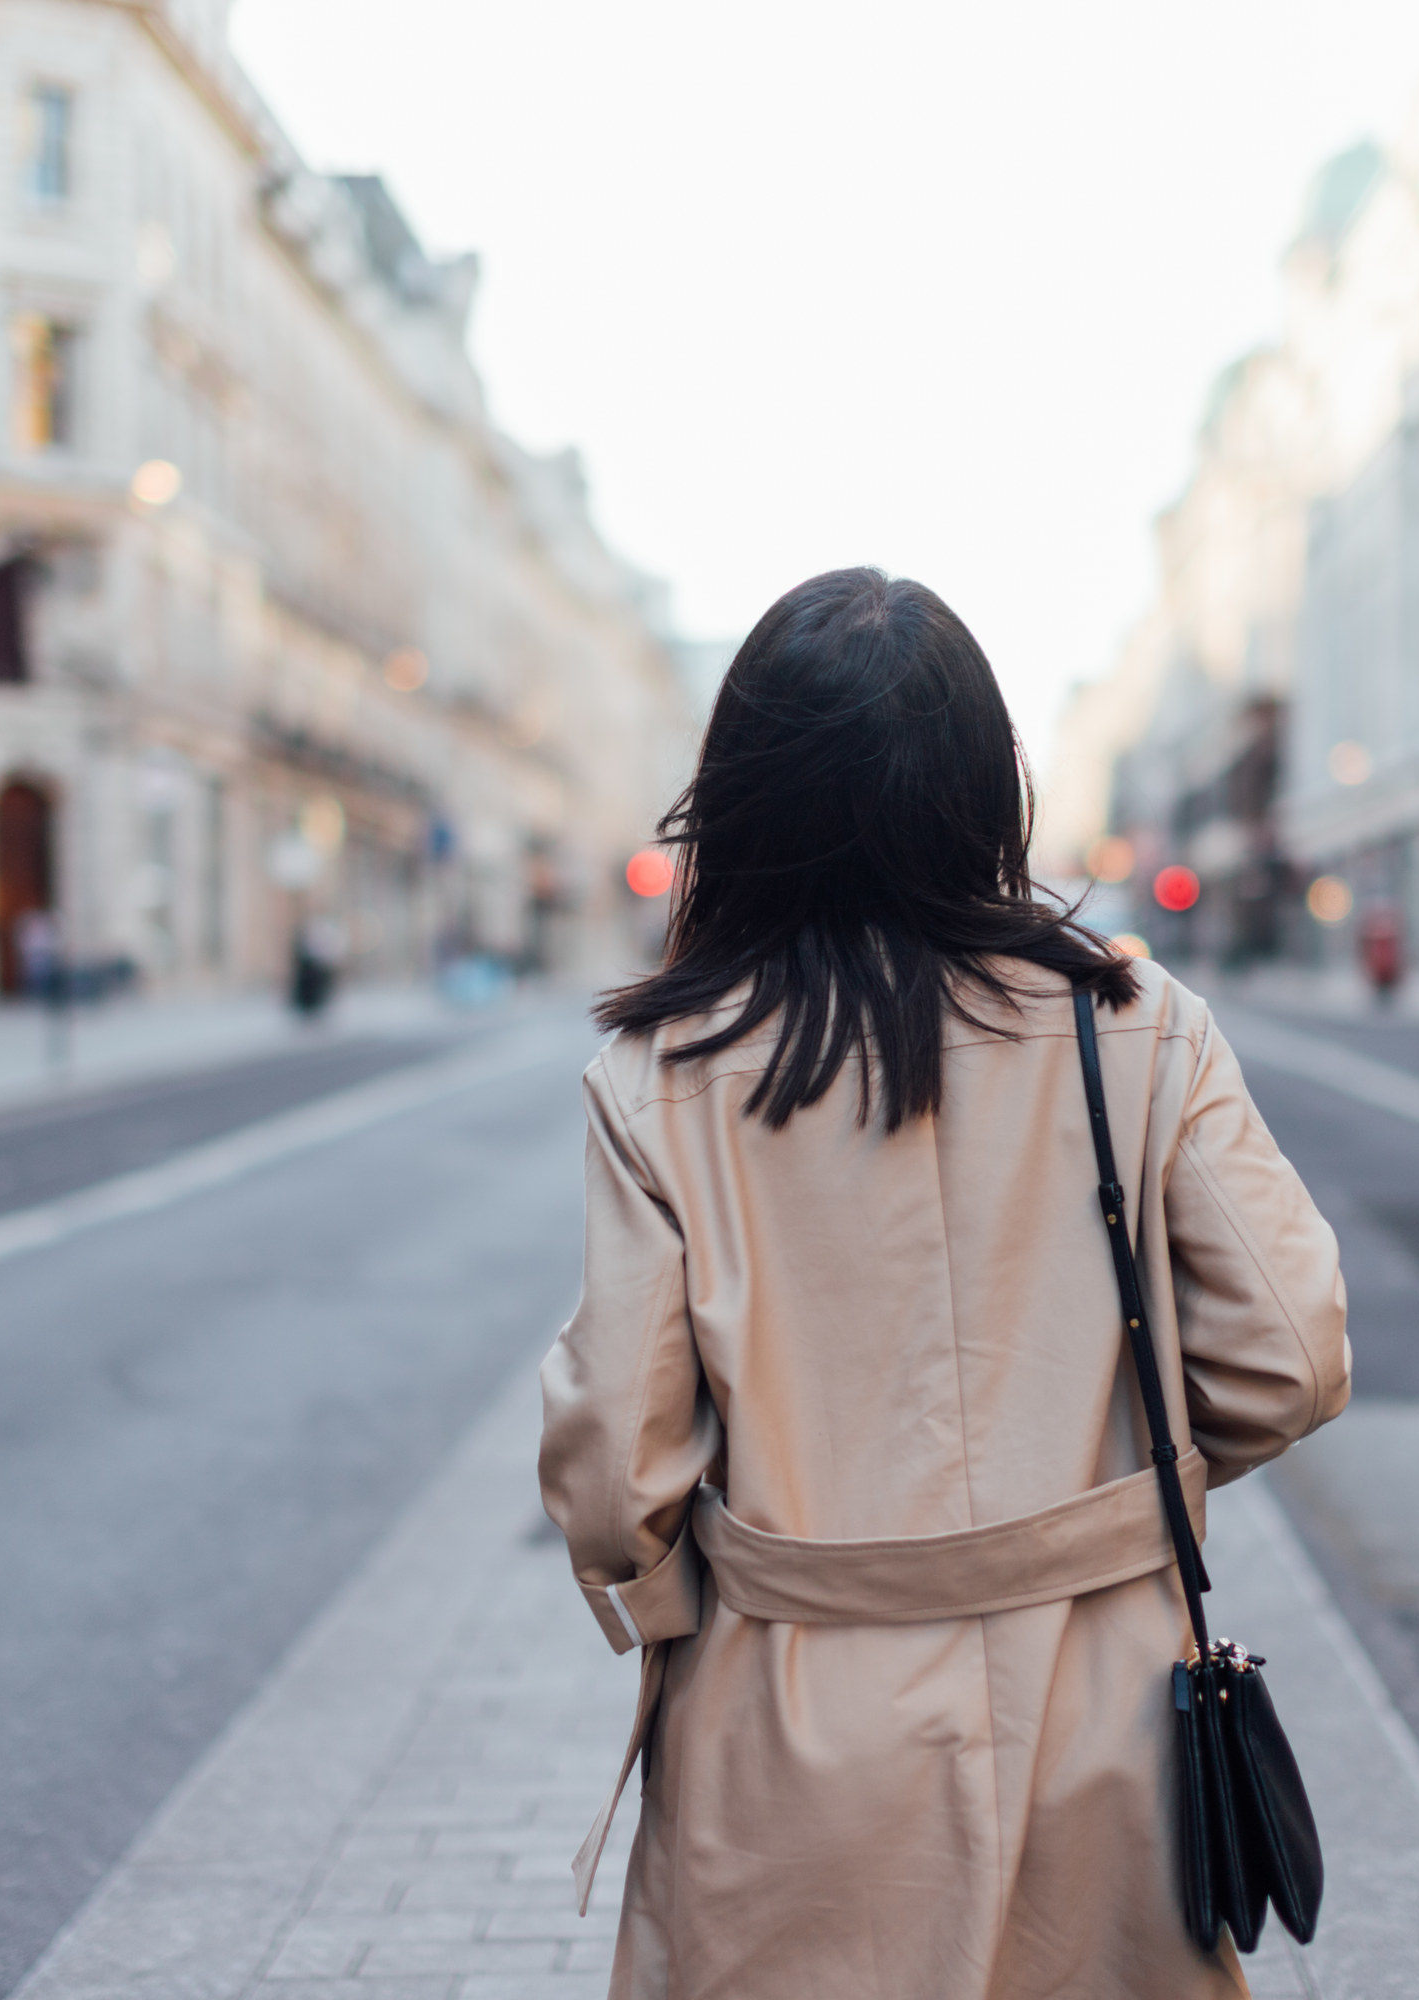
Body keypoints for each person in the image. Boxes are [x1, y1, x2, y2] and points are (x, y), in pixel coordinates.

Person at [540, 569, 1351, 2000]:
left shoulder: (656, 1078)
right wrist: (1105, 1501)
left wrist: (680, 1610)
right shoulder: (1134, 1024)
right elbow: (1287, 1357)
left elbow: (618, 1464)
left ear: (740, 794)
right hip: (1102, 1706)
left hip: (789, 1714)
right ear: (991, 787)